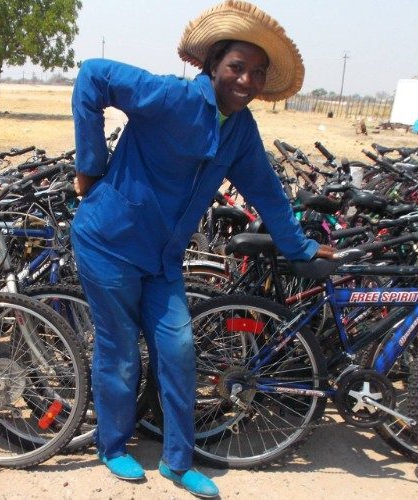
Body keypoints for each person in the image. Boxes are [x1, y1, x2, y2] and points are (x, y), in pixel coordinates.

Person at [70, 1, 335, 497]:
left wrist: (299, 244)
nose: (247, 80)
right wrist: (91, 165)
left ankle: (177, 461)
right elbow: (92, 76)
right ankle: (113, 446)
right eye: (237, 67)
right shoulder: (168, 96)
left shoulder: (240, 132)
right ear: (214, 65)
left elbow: (268, 193)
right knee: (121, 352)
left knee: (179, 350)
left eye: (257, 73)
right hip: (108, 243)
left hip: (163, 261)